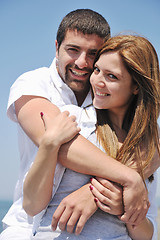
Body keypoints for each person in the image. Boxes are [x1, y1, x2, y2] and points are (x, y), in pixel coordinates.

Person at [0, 8, 159, 239]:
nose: (84, 65)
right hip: (30, 227)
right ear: (56, 47)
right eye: (73, 50)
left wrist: (106, 197)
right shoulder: (35, 85)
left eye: (93, 54)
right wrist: (128, 179)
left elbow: (145, 226)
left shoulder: (145, 139)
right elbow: (64, 148)